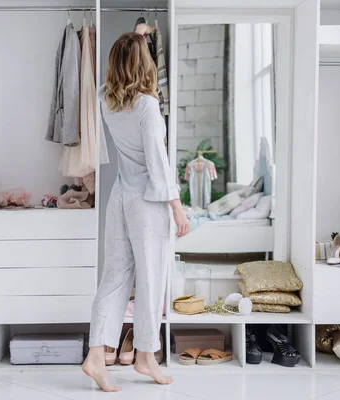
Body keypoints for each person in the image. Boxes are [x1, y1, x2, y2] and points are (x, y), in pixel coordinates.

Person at [82, 31, 190, 392]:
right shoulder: (145, 106)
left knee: (114, 277)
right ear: (145, 65)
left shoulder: (104, 98)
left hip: (120, 198)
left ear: (113, 64)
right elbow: (158, 163)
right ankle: (145, 356)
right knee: (151, 279)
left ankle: (97, 355)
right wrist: (177, 208)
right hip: (147, 202)